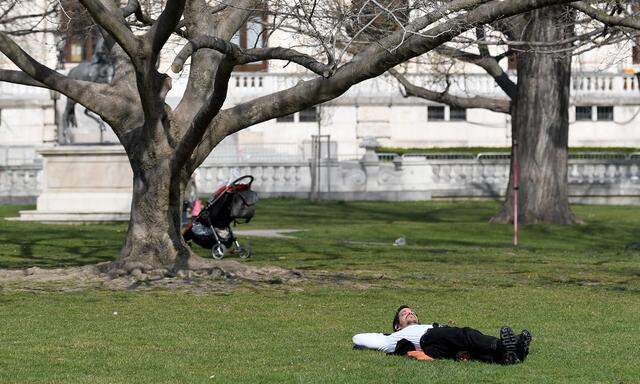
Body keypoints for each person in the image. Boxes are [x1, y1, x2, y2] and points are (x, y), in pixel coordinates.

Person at [352, 305, 531, 365]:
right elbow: (358, 338)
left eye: (412, 312)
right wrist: (386, 337)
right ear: (397, 325)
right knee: (467, 335)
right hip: (430, 339)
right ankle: (505, 345)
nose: (410, 313)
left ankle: (512, 354)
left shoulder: (429, 325)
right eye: (404, 313)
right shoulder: (391, 338)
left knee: (472, 350)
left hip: (439, 342)